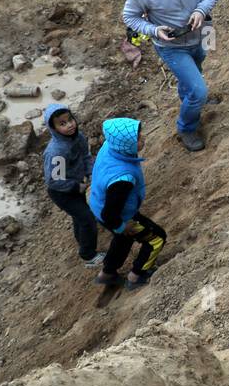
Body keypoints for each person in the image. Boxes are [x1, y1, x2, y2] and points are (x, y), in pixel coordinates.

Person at [121, 0, 221, 151]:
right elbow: (130, 17)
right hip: (172, 47)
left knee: (195, 77)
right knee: (198, 90)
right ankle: (186, 127)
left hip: (201, 35)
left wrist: (200, 10)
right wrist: (154, 30)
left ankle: (193, 101)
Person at [87, 118, 167, 290]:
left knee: (123, 239)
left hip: (97, 204)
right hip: (114, 213)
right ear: (126, 145)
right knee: (157, 238)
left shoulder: (109, 146)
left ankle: (107, 273)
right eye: (137, 138)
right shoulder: (123, 179)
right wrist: (122, 226)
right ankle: (137, 275)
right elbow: (111, 214)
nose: (143, 138)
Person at [41, 104, 104, 267]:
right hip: (61, 192)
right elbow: (55, 180)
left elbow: (86, 156)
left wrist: (92, 173)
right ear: (53, 128)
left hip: (76, 183)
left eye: (70, 120)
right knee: (88, 218)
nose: (69, 125)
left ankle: (82, 239)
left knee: (80, 217)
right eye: (62, 124)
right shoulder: (57, 151)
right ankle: (88, 256)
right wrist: (77, 187)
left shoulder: (78, 137)